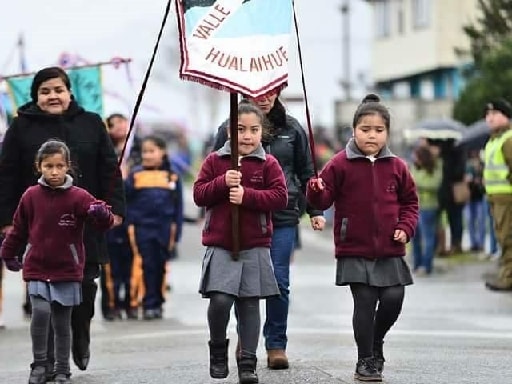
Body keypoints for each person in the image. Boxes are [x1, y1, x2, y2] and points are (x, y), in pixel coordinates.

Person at [0, 67, 125, 371]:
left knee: (84, 289)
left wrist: (115, 210)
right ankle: (53, 361)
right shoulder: (21, 127)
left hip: (87, 222)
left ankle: (80, 335)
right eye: (45, 91)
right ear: (36, 96)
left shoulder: (92, 123)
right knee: (46, 296)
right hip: (40, 227)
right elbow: (6, 174)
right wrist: (7, 220)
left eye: (58, 89)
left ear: (70, 93)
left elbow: (111, 169)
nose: (52, 96)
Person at [307, 94, 419, 382]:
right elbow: (323, 197)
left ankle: (375, 342)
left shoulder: (397, 167)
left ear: (387, 133)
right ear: (353, 130)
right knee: (365, 302)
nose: (372, 135)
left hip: (389, 248)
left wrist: (405, 228)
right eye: (365, 129)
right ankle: (365, 360)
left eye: (379, 130)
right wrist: (316, 191)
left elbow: (410, 203)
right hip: (354, 247)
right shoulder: (339, 164)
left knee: (394, 299)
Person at [212, 91, 325, 369]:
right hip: (243, 218)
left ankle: (276, 343)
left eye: (271, 91)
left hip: (283, 215)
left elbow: (307, 171)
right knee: (242, 283)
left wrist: (315, 209)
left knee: (279, 282)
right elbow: (214, 169)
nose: (264, 97)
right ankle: (246, 338)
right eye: (258, 91)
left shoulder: (293, 128)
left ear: (278, 92)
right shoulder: (229, 125)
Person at [0, 140, 114, 384]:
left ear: (68, 167)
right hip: (37, 268)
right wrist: (8, 253)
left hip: (67, 270)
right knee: (40, 312)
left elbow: (102, 221)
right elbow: (18, 229)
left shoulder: (79, 196)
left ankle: (62, 369)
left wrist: (101, 214)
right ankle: (40, 365)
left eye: (60, 166)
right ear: (38, 166)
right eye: (48, 166)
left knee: (63, 322)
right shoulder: (30, 196)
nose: (54, 171)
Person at [194, 100, 288, 384]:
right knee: (221, 300)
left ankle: (248, 360)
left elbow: (279, 197)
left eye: (254, 130)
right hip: (222, 243)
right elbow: (200, 194)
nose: (247, 136)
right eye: (240, 129)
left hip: (254, 244)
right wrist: (223, 182)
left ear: (262, 132)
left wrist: (248, 196)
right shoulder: (215, 161)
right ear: (228, 131)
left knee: (249, 304)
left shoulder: (268, 163)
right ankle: (218, 347)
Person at [125, 135, 184, 320]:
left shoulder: (171, 175)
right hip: (142, 227)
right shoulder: (135, 175)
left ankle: (158, 301)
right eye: (145, 152)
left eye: (152, 151)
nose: (148, 155)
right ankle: (147, 302)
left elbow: (178, 206)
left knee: (160, 265)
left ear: (162, 152)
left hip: (165, 228)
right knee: (146, 264)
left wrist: (178, 231)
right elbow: (126, 201)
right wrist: (129, 223)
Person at [482, 99, 512, 291]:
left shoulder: (508, 139)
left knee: (508, 239)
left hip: (506, 198)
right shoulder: (494, 140)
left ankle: (508, 278)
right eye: (487, 115)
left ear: (506, 116)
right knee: (503, 238)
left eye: (494, 114)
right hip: (496, 198)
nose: (489, 118)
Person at [411, 145, 442, 275]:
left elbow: (434, 184)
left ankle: (426, 265)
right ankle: (416, 263)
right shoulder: (414, 168)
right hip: (414, 207)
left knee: (428, 237)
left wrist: (417, 184)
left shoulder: (434, 168)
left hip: (428, 207)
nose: (415, 159)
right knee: (414, 237)